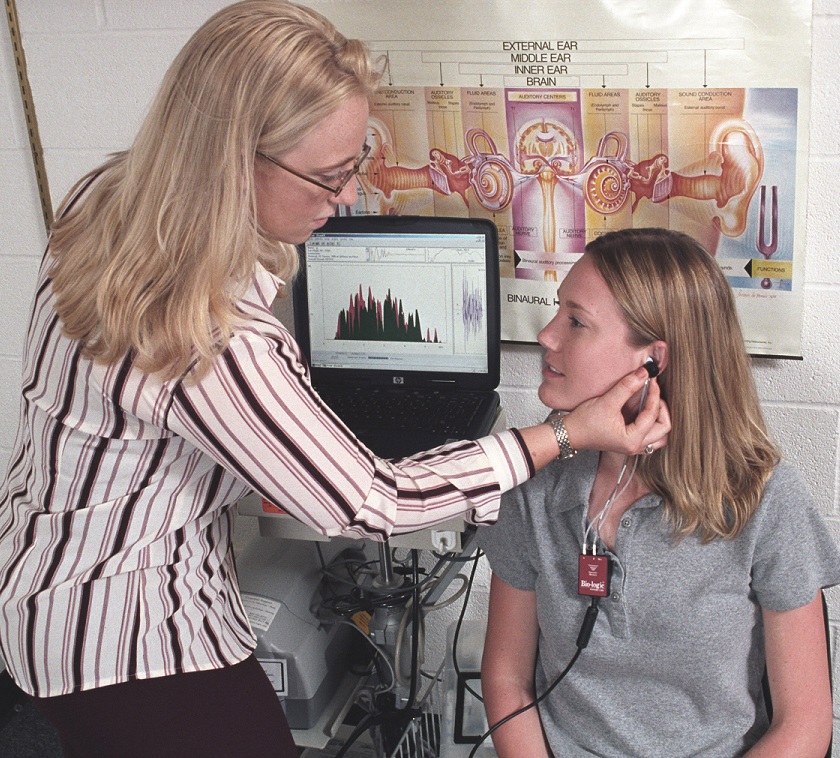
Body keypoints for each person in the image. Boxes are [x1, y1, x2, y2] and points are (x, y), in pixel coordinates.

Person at [0, 3, 669, 757]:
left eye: (354, 165)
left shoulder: (112, 197)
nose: (347, 197)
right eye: (328, 176)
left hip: (46, 584)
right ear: (232, 159)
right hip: (121, 637)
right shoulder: (209, 335)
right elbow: (373, 501)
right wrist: (563, 433)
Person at [477, 226, 840, 757]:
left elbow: (805, 724)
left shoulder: (762, 499)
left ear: (654, 360)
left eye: (576, 322)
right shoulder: (535, 482)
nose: (547, 335)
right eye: (558, 312)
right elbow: (507, 676)